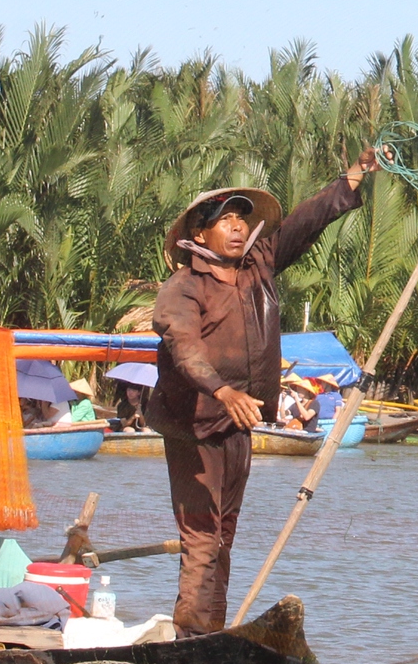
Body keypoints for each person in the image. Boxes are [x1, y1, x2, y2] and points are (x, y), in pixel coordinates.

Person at [150, 152, 375, 635]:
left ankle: (211, 633)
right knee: (202, 537)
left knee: (224, 536)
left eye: (240, 218)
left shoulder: (258, 268)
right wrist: (222, 389)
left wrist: (353, 177)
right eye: (223, 220)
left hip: (238, 423)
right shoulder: (183, 289)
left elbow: (304, 223)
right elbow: (186, 351)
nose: (236, 227)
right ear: (200, 234)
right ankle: (190, 638)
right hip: (194, 428)